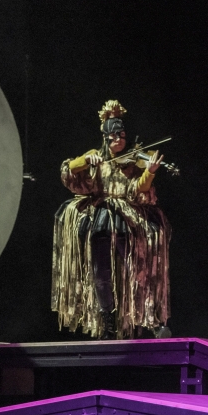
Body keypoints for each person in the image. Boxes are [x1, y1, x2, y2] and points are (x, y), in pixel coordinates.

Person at [52, 100, 171, 340]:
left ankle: (149, 319)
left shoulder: (133, 163)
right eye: (114, 135)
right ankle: (107, 321)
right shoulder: (95, 157)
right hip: (101, 218)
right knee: (101, 273)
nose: (119, 139)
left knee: (136, 270)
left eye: (122, 135)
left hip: (127, 219)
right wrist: (86, 162)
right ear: (106, 137)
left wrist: (149, 172)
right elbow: (69, 172)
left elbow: (138, 190)